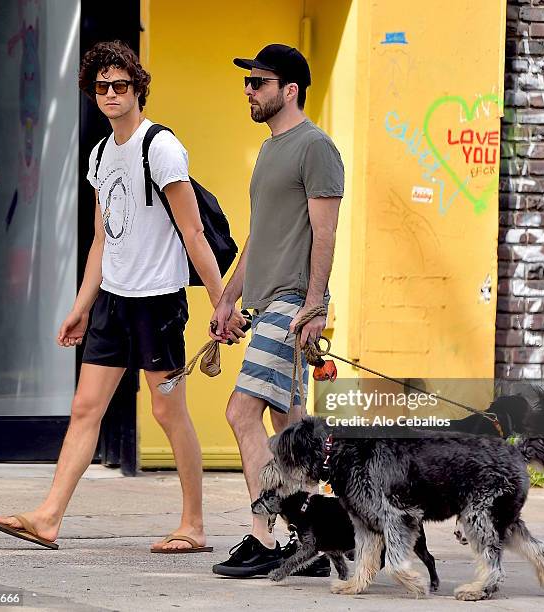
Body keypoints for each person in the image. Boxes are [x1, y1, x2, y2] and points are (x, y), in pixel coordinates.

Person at [0, 40, 244, 553]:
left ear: (137, 89)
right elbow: (103, 240)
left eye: (120, 85)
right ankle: (48, 518)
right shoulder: (101, 154)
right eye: (101, 86)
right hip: (113, 302)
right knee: (85, 407)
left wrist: (223, 303)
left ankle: (193, 525)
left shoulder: (162, 147)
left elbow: (193, 233)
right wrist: (81, 307)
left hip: (157, 303)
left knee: (168, 412)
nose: (110, 93)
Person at [210, 44, 344, 577]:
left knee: (241, 413)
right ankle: (314, 540)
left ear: (289, 91)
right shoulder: (269, 152)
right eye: (248, 82)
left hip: (291, 307)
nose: (249, 90)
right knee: (291, 426)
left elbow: (326, 234)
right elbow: (258, 238)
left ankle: (264, 534)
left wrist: (314, 308)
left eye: (260, 82)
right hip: (266, 304)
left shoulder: (316, 148)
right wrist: (226, 298)